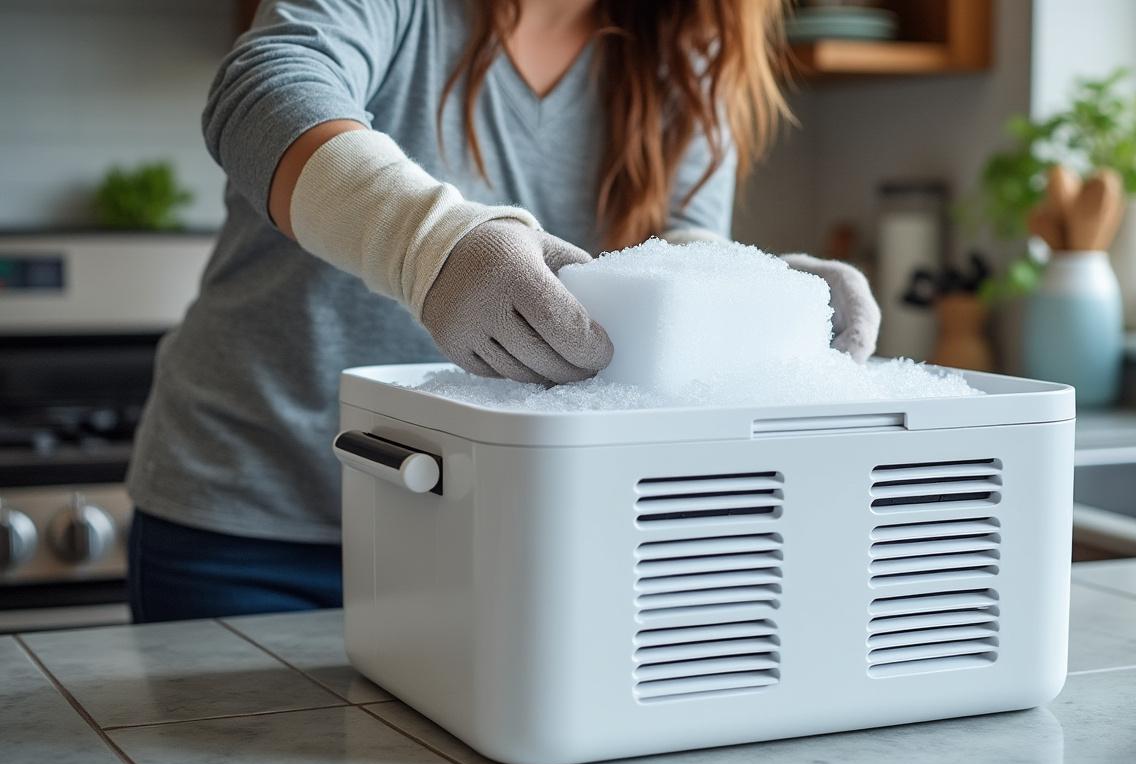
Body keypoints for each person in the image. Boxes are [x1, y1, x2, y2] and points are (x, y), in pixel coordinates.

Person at [127, 0, 881, 622]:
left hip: (492, 543)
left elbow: (672, 251)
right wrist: (431, 247)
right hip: (254, 521)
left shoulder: (684, 46)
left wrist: (756, 291)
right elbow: (263, 91)